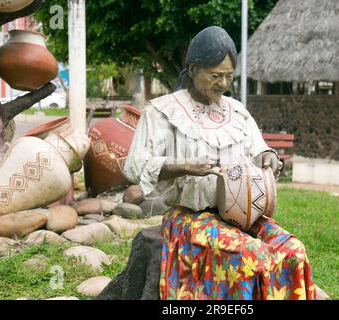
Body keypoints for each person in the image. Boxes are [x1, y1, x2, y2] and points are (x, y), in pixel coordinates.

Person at [124, 26, 317, 300]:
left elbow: (260, 149)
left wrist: (269, 158)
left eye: (228, 76)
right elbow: (134, 166)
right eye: (215, 75)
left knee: (294, 250)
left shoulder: (238, 112)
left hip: (242, 216)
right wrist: (185, 166)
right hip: (191, 218)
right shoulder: (161, 112)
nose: (223, 83)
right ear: (192, 70)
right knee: (254, 256)